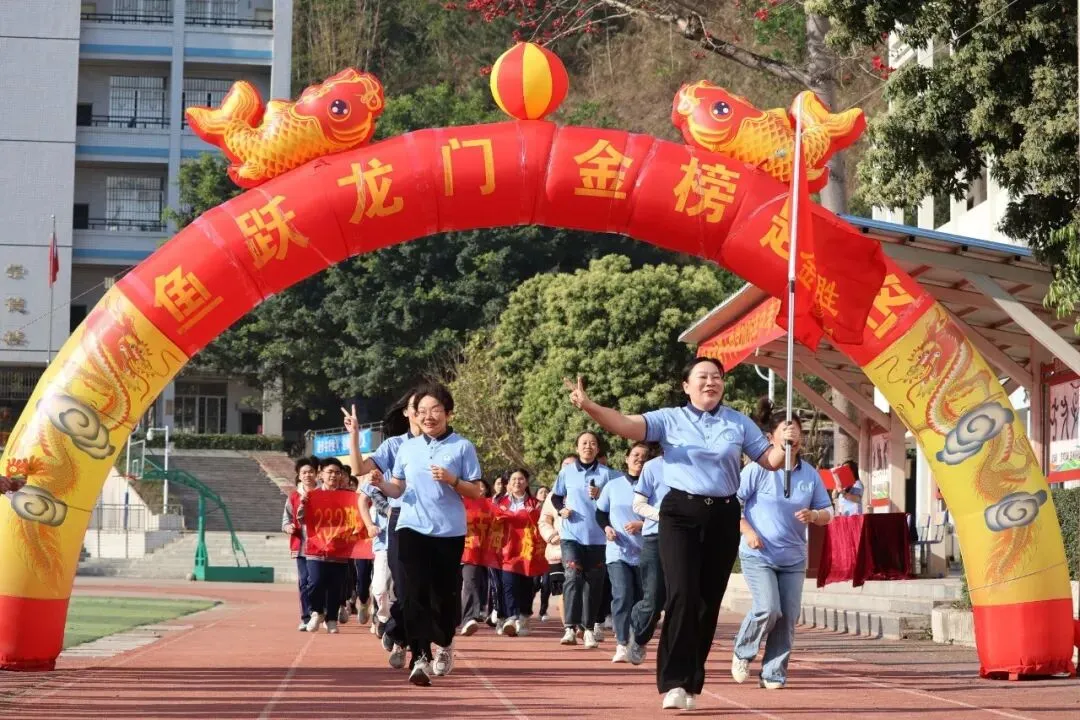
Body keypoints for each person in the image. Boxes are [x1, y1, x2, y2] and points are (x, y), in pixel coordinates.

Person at [564, 358, 799, 711]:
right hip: (679, 514)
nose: (711, 383)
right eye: (702, 377)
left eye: (717, 377)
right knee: (682, 594)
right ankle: (673, 681)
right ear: (686, 385)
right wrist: (590, 406)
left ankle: (692, 679)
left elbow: (770, 461)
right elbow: (627, 425)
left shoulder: (738, 422)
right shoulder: (670, 418)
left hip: (722, 514)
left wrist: (786, 443)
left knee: (706, 603)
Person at [361, 382, 484, 687]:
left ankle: (444, 643)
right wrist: (380, 485)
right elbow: (398, 488)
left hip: (448, 532)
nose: (428, 416)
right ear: (414, 415)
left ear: (448, 412)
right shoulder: (406, 447)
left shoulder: (462, 447)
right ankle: (420, 658)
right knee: (412, 596)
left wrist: (453, 480)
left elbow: (477, 491)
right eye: (422, 411)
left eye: (435, 410)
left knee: (442, 598)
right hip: (410, 528)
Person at [733, 399, 833, 689]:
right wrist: (748, 531)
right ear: (771, 438)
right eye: (787, 431)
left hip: (793, 558)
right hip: (759, 554)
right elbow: (733, 506)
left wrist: (814, 514)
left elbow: (828, 514)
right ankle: (743, 651)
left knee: (787, 617)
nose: (794, 436)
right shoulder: (757, 470)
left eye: (797, 431)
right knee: (768, 609)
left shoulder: (810, 474)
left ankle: (773, 672)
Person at [346, 389, 420, 670]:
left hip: (435, 530)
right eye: (417, 407)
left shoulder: (447, 445)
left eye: (431, 407)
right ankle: (401, 636)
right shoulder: (394, 446)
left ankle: (400, 633)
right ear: (406, 412)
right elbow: (359, 470)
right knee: (392, 589)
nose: (424, 413)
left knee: (423, 591)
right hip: (398, 527)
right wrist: (354, 436)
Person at [550, 431, 618, 649]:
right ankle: (569, 628)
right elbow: (556, 496)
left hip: (597, 537)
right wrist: (561, 510)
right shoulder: (567, 472)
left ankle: (588, 629)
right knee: (572, 576)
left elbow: (618, 499)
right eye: (584, 443)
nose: (588, 446)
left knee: (593, 584)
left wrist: (601, 494)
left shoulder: (608, 475)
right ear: (577, 447)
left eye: (592, 443)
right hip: (571, 535)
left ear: (598, 449)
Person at [596, 442, 649, 663]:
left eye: (645, 457)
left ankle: (637, 640)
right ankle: (621, 643)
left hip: (647, 551)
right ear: (626, 458)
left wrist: (642, 525)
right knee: (622, 594)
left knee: (642, 601)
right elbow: (600, 513)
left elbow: (665, 516)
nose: (639, 459)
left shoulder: (655, 486)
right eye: (635, 455)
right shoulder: (613, 485)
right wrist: (607, 528)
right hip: (618, 551)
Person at [297, 457, 352, 634]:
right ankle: (316, 612)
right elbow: (302, 519)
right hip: (316, 549)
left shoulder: (348, 496)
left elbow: (355, 519)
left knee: (336, 586)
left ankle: (332, 619)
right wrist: (303, 506)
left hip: (339, 551)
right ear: (321, 474)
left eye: (337, 472)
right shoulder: (312, 495)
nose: (334, 476)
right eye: (330, 472)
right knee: (315, 582)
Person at [628, 450, 667, 665]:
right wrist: (664, 516)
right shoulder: (653, 467)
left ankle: (676, 657)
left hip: (687, 539)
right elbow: (638, 504)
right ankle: (639, 633)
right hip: (656, 537)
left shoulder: (698, 466)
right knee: (653, 601)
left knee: (681, 600)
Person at [496, 468, 542, 637]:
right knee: (508, 584)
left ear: (527, 482)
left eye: (521, 479)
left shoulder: (534, 503)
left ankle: (523, 616)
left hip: (527, 552)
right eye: (514, 479)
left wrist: (534, 514)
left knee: (526, 585)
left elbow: (541, 522)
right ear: (508, 484)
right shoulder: (500, 503)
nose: (517, 482)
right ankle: (511, 617)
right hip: (506, 551)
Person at [282, 457, 319, 631]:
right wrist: (288, 527)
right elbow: (285, 520)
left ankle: (319, 612)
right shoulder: (294, 497)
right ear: (298, 475)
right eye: (304, 472)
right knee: (304, 582)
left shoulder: (323, 495)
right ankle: (306, 616)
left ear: (316, 473)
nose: (307, 475)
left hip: (320, 547)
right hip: (301, 547)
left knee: (316, 582)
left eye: (311, 471)